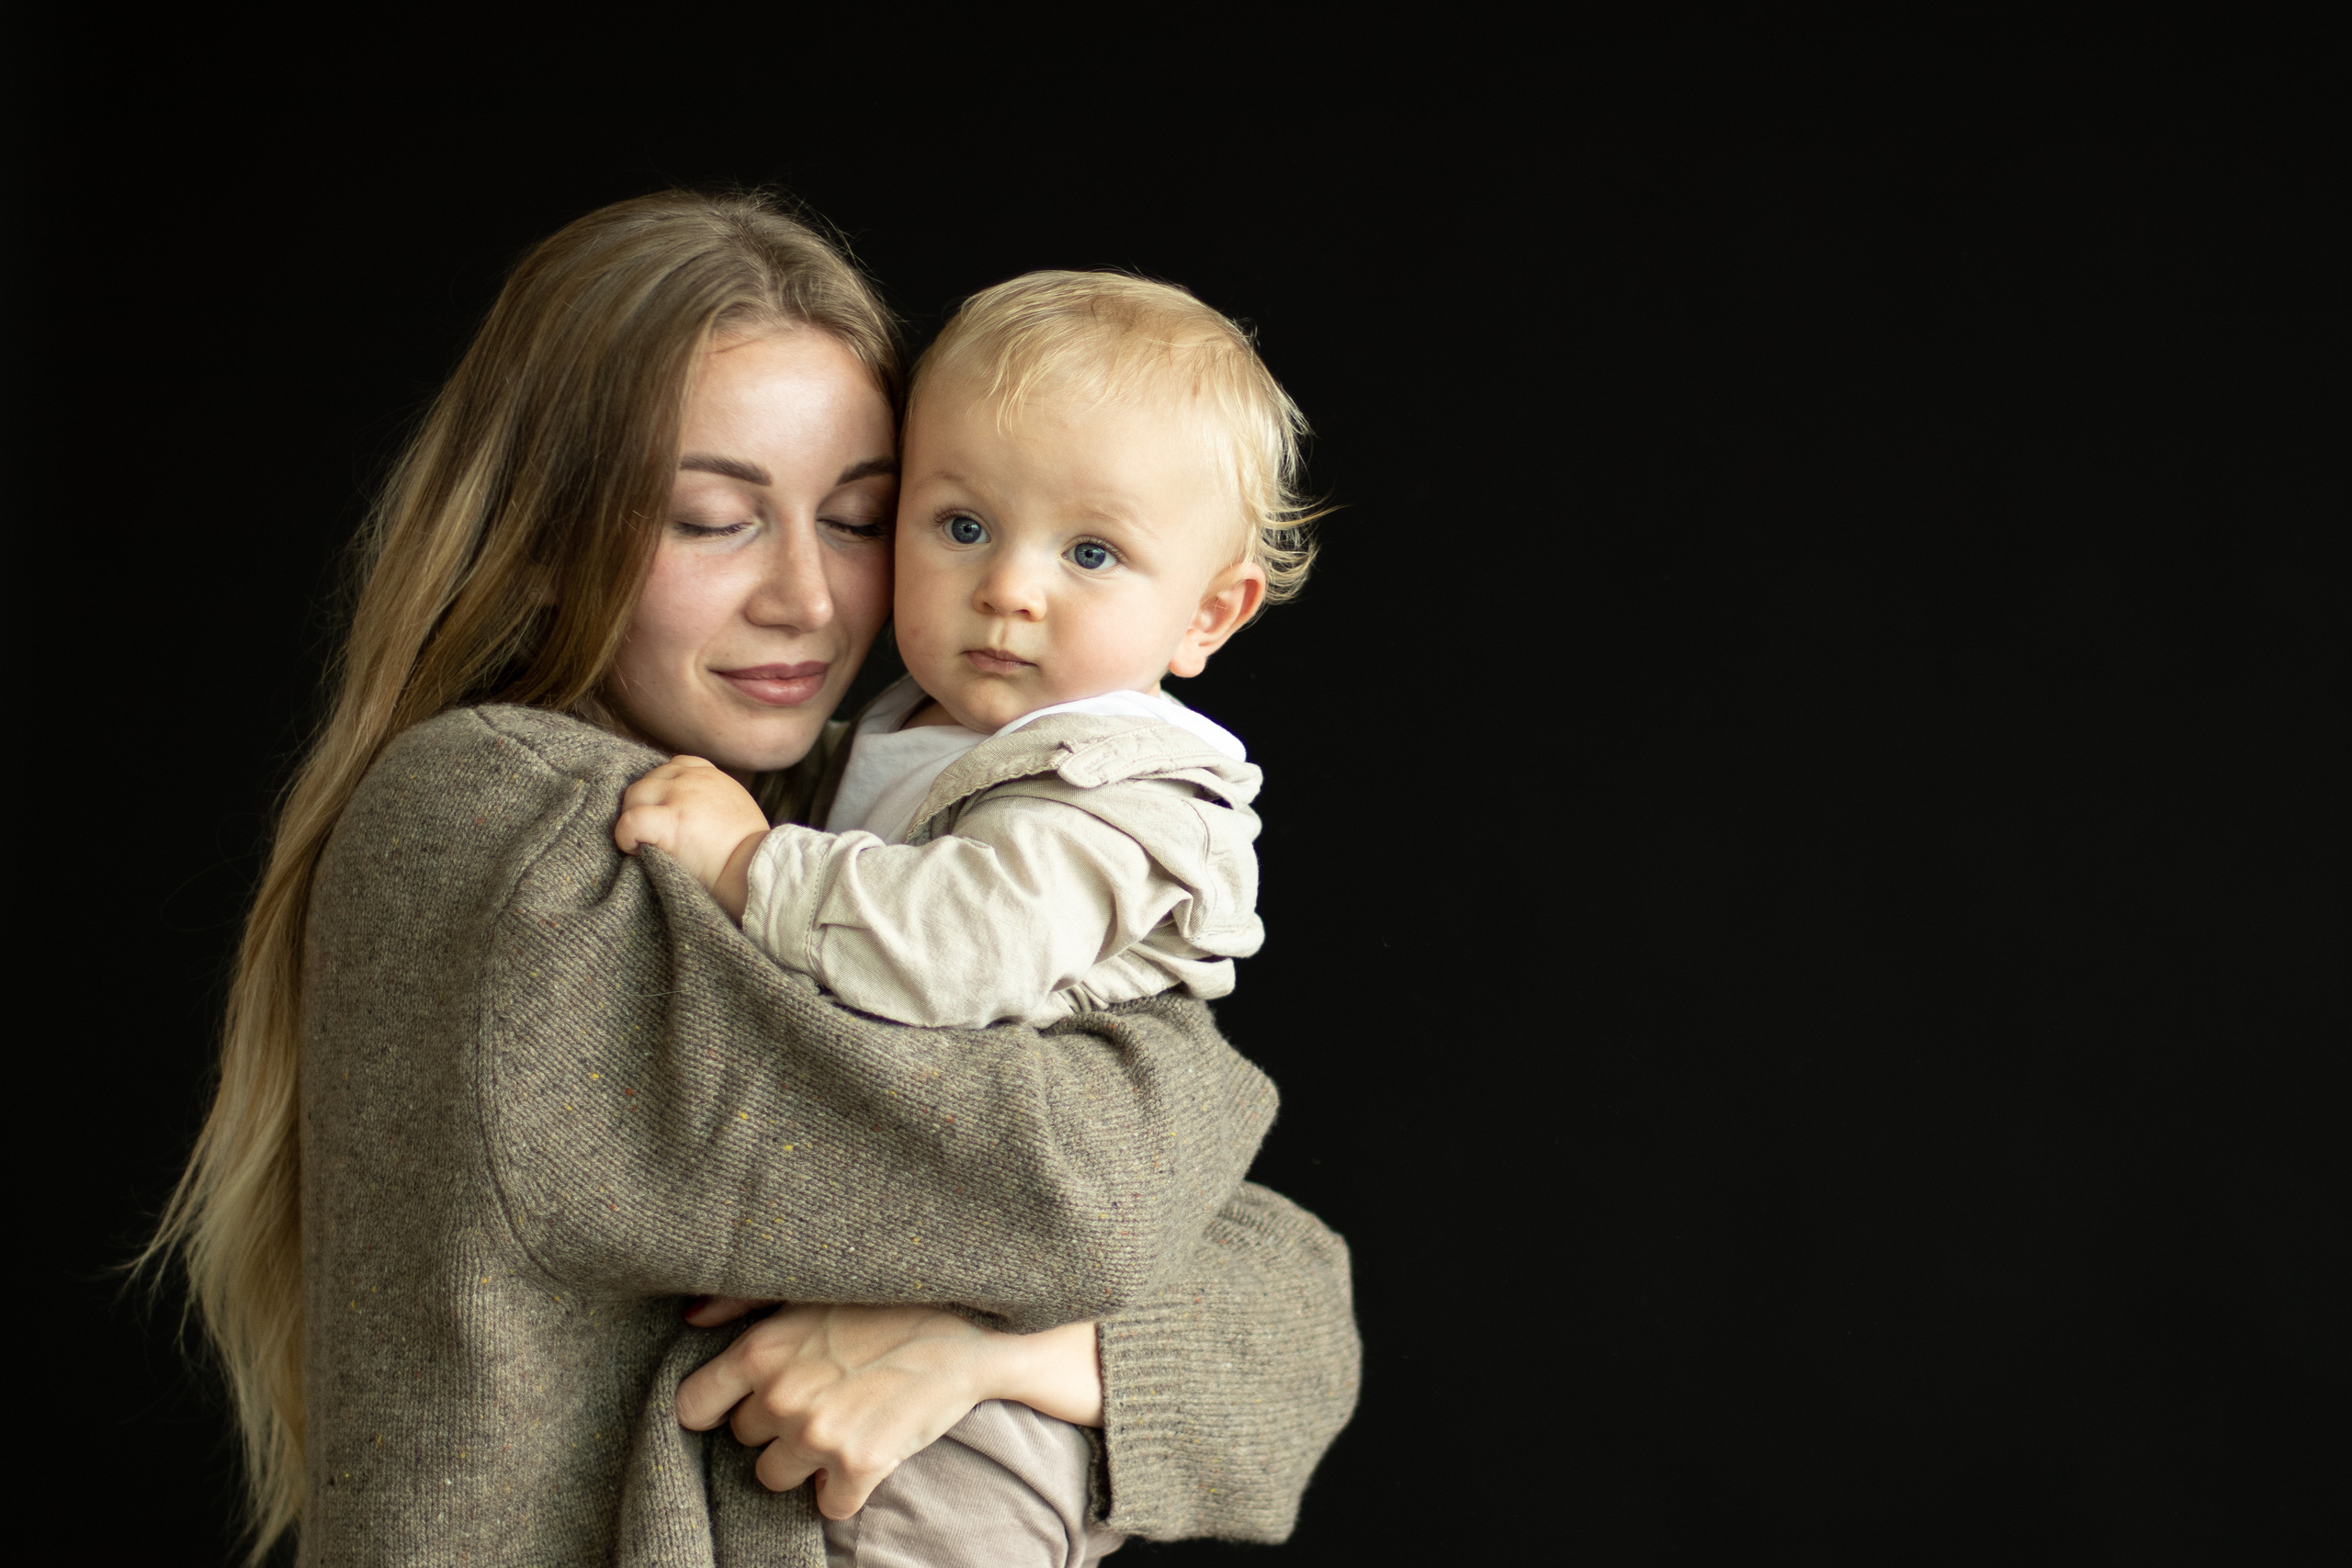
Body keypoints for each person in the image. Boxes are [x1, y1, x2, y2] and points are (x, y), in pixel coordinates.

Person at [142, 190, 1360, 1567]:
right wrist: (1188, 1073)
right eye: (715, 519)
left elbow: (1310, 1308)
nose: (810, 597)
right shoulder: (506, 827)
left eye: (857, 518)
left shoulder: (822, 818)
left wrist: (994, 1352)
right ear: (543, 536)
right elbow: (1081, 1190)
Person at [613, 269, 1318, 1033]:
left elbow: (960, 954)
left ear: (1207, 616)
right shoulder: (928, 721)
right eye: (964, 527)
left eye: (1089, 553)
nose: (1008, 588)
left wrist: (743, 860)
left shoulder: (1118, 799)